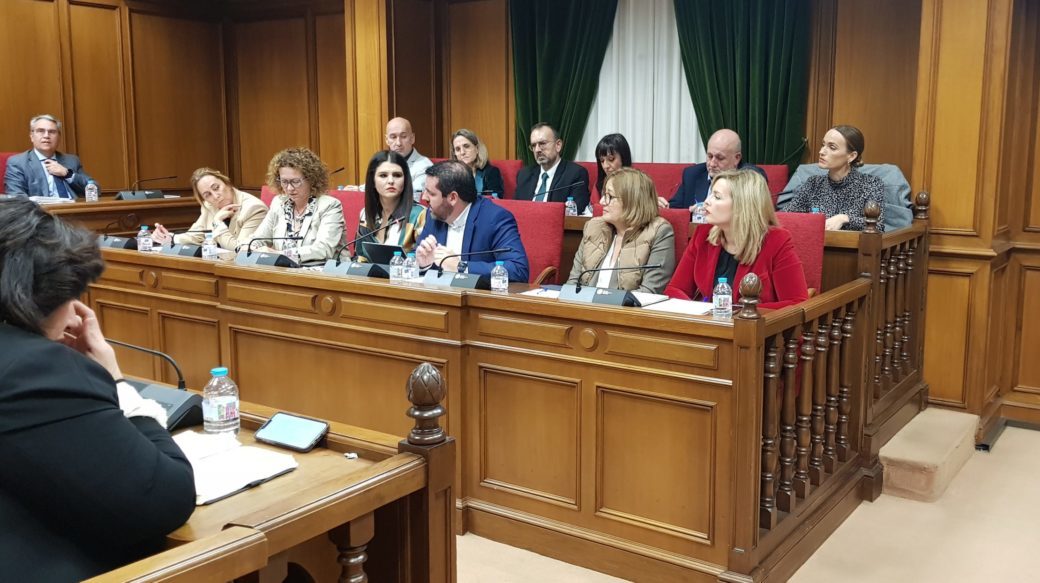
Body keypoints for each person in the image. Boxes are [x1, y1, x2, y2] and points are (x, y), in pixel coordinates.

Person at [0, 198, 195, 580]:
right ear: (43, 293)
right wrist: (116, 380)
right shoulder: (34, 370)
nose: (76, 313)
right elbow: (164, 499)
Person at [664, 169, 808, 309]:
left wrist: (741, 314)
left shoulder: (777, 241)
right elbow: (675, 289)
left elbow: (796, 303)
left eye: (717, 197)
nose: (706, 201)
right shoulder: (703, 235)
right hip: (708, 322)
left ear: (742, 206)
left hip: (756, 324)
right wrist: (701, 311)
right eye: (710, 194)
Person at [416, 160, 528, 282]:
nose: (424, 197)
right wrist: (424, 265)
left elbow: (518, 270)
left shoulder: (495, 218)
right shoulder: (434, 215)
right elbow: (421, 259)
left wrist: (460, 267)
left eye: (431, 193)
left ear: (452, 198)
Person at [567, 168, 675, 294]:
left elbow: (649, 292)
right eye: (604, 195)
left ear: (632, 200)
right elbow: (572, 284)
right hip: (583, 305)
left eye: (610, 196)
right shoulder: (593, 227)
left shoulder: (659, 232)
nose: (602, 202)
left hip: (627, 307)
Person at [249, 147, 345, 262]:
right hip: (284, 270)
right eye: (284, 181)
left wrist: (280, 254)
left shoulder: (329, 206)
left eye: (295, 181)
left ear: (311, 179)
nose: (289, 188)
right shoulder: (279, 203)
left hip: (322, 270)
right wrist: (248, 247)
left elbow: (323, 249)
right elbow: (258, 239)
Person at [785, 125, 887, 231]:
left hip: (851, 242)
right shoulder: (813, 183)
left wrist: (844, 219)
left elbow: (878, 226)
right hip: (815, 240)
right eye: (823, 145)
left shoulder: (871, 184)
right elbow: (786, 217)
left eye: (832, 147)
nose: (821, 152)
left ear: (851, 156)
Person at [151, 167, 268, 251]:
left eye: (216, 188)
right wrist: (170, 238)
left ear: (227, 183)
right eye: (207, 195)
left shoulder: (253, 208)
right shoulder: (209, 206)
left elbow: (241, 249)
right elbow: (197, 235)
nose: (215, 196)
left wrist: (217, 223)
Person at [664, 129, 766, 210]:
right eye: (709, 156)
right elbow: (674, 210)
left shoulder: (750, 177)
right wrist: (661, 206)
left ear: (737, 158)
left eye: (720, 158)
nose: (712, 164)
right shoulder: (692, 174)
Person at [355, 150, 428, 260]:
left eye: (397, 175)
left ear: (405, 180)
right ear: (373, 181)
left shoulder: (419, 215)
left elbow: (424, 260)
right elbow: (360, 258)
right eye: (383, 175)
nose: (390, 181)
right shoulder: (365, 214)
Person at [3, 114, 94, 199]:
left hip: (73, 208)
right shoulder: (18, 163)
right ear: (32, 136)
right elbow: (17, 198)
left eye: (52, 132)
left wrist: (68, 174)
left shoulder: (72, 160)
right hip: (40, 210)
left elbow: (94, 189)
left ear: (59, 137)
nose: (46, 136)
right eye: (40, 131)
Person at [514, 122, 591, 212]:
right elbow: (515, 208)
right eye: (534, 145)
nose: (537, 150)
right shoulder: (524, 175)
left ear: (558, 145)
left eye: (542, 143)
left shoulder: (576, 174)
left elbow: (576, 211)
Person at [386, 117, 433, 201]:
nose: (398, 143)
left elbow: (412, 198)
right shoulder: (382, 163)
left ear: (412, 138)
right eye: (393, 137)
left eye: (403, 136)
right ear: (387, 140)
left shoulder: (425, 166)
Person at [450, 129, 504, 198]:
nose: (462, 152)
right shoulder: (450, 175)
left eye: (466, 146)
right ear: (454, 154)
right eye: (458, 149)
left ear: (477, 148)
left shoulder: (491, 172)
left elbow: (496, 200)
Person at [594, 133, 633, 198]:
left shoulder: (636, 184)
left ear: (624, 157)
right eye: (602, 161)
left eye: (611, 159)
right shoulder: (600, 183)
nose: (605, 166)